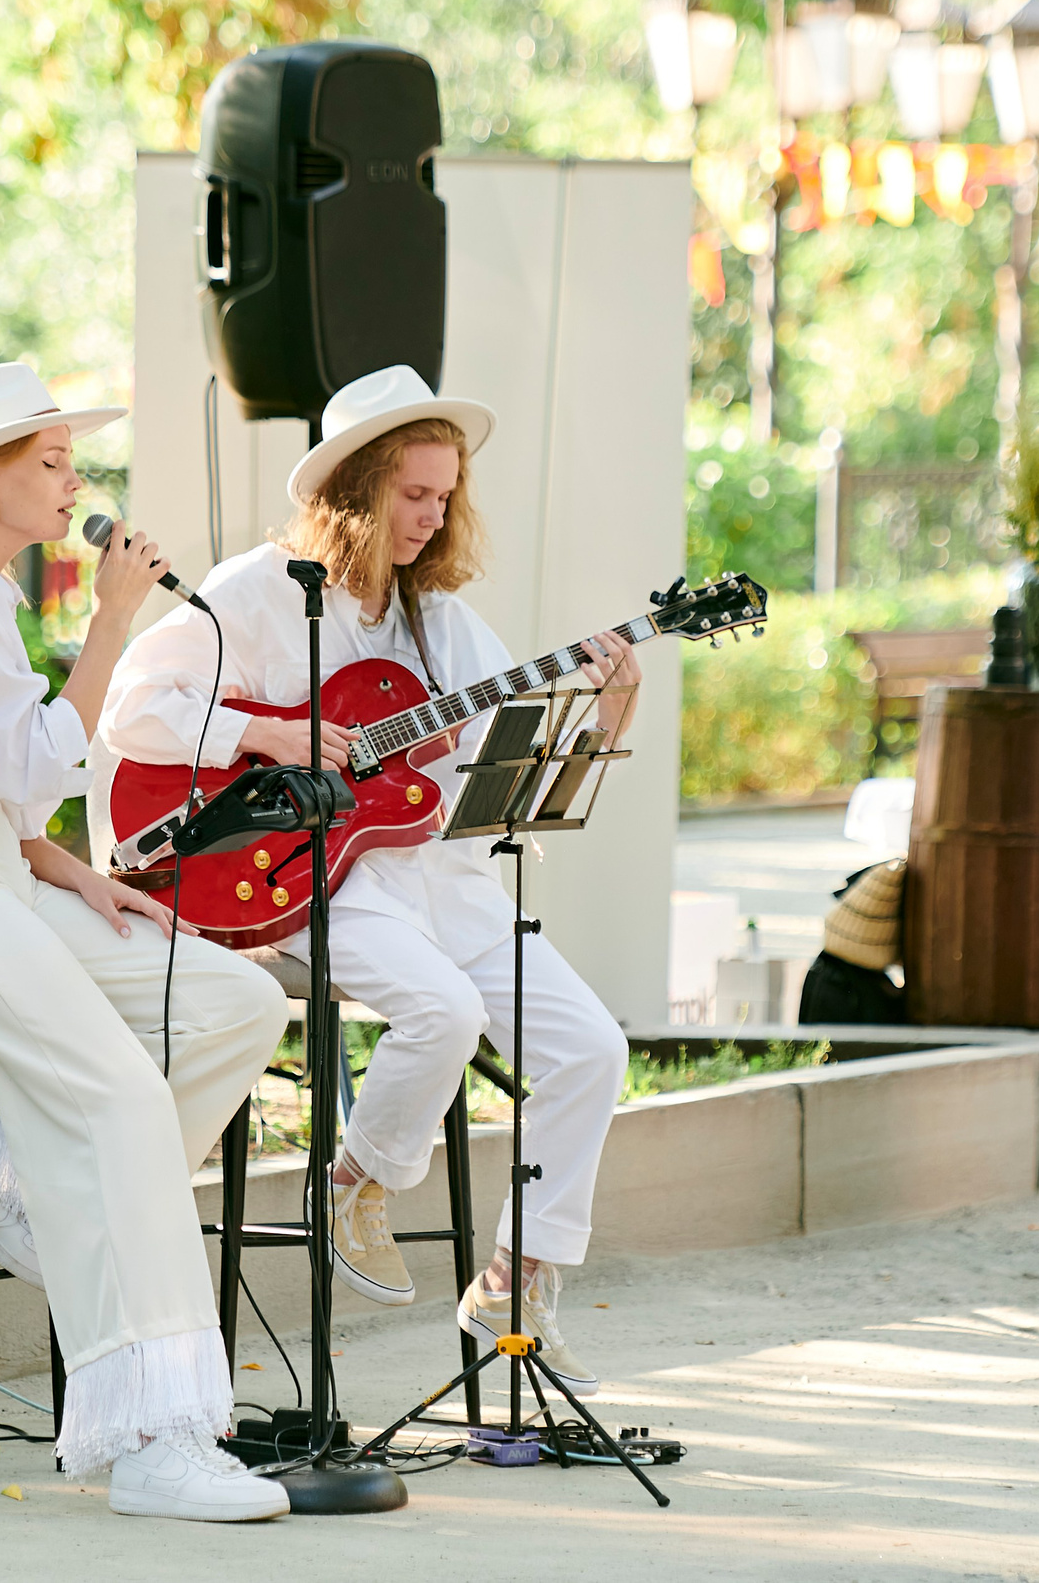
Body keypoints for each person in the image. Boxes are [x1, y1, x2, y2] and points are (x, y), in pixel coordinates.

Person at [97, 364, 639, 1395]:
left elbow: (505, 783)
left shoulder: (443, 624)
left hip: (448, 887)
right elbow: (133, 710)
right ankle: (353, 1182)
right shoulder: (259, 592)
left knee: (590, 1048)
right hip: (311, 881)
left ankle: (515, 1286)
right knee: (442, 1010)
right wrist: (268, 732)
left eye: (445, 497)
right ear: (354, 491)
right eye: (413, 495)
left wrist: (605, 714)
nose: (433, 518)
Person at [0, 362, 291, 1522]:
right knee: (116, 1095)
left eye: (72, 460)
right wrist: (113, 621)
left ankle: (9, 1183)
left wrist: (74, 870)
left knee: (235, 1003)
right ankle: (153, 1439)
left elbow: (6, 792)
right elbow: (22, 762)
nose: (76, 482)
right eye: (51, 461)